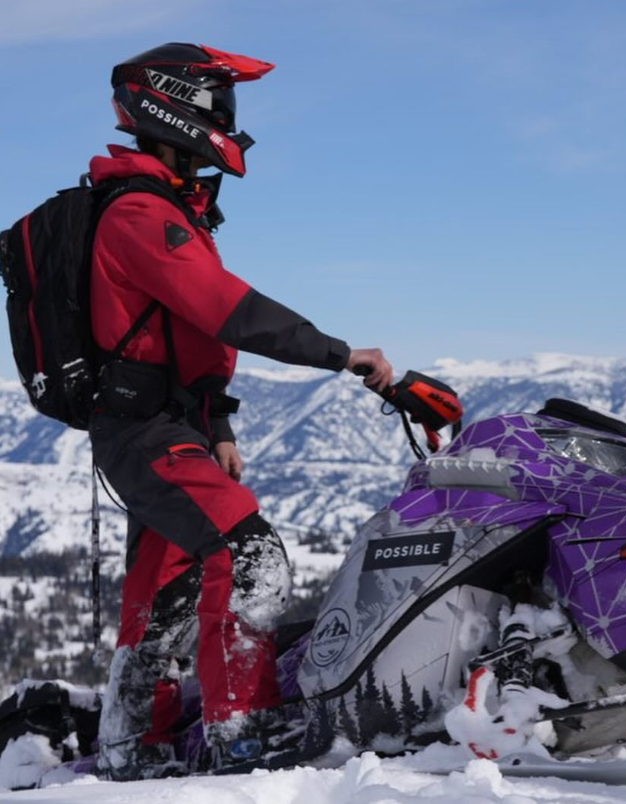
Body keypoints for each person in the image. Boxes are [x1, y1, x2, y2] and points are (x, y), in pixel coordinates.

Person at [87, 42, 393, 780]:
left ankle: (132, 745)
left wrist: (217, 424)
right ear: (177, 106)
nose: (229, 118)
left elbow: (192, 337)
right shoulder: (138, 213)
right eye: (218, 103)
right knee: (251, 560)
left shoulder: (168, 209)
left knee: (163, 590)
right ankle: (243, 738)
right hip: (146, 428)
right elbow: (227, 311)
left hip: (168, 425)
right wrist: (341, 354)